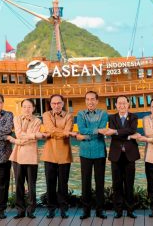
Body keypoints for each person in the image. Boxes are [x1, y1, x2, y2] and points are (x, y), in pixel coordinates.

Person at [104, 95, 140, 219]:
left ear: (128, 104)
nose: (122, 105)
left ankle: (130, 210)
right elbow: (128, 132)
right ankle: (118, 210)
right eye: (119, 103)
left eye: (124, 103)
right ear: (116, 105)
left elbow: (132, 129)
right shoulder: (112, 117)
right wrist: (127, 134)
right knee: (117, 184)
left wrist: (115, 131)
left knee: (129, 184)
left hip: (130, 155)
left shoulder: (134, 117)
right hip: (116, 155)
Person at [8, 99, 43, 219]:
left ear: (33, 108)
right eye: (24, 107)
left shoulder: (38, 121)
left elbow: (34, 138)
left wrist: (29, 136)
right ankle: (20, 210)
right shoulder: (16, 119)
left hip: (31, 156)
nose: (27, 109)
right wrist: (32, 135)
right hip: (17, 155)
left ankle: (31, 210)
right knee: (18, 184)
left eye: (29, 107)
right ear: (21, 108)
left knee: (31, 184)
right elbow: (18, 134)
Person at [40, 94, 74, 219]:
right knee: (50, 183)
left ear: (63, 104)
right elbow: (50, 129)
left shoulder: (69, 115)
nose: (56, 105)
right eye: (53, 103)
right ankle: (51, 209)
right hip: (49, 154)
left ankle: (64, 209)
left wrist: (60, 132)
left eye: (59, 103)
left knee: (63, 184)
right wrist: (65, 132)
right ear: (50, 104)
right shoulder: (46, 115)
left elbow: (65, 131)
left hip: (64, 153)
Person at [76, 91, 108, 220]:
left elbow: (102, 130)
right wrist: (96, 131)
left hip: (100, 152)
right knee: (86, 182)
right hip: (85, 153)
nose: (90, 102)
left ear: (97, 101)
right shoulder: (80, 114)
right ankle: (86, 210)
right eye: (88, 99)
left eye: (93, 99)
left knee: (100, 182)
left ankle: (100, 210)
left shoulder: (103, 114)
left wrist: (84, 136)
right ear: (85, 101)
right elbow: (82, 129)